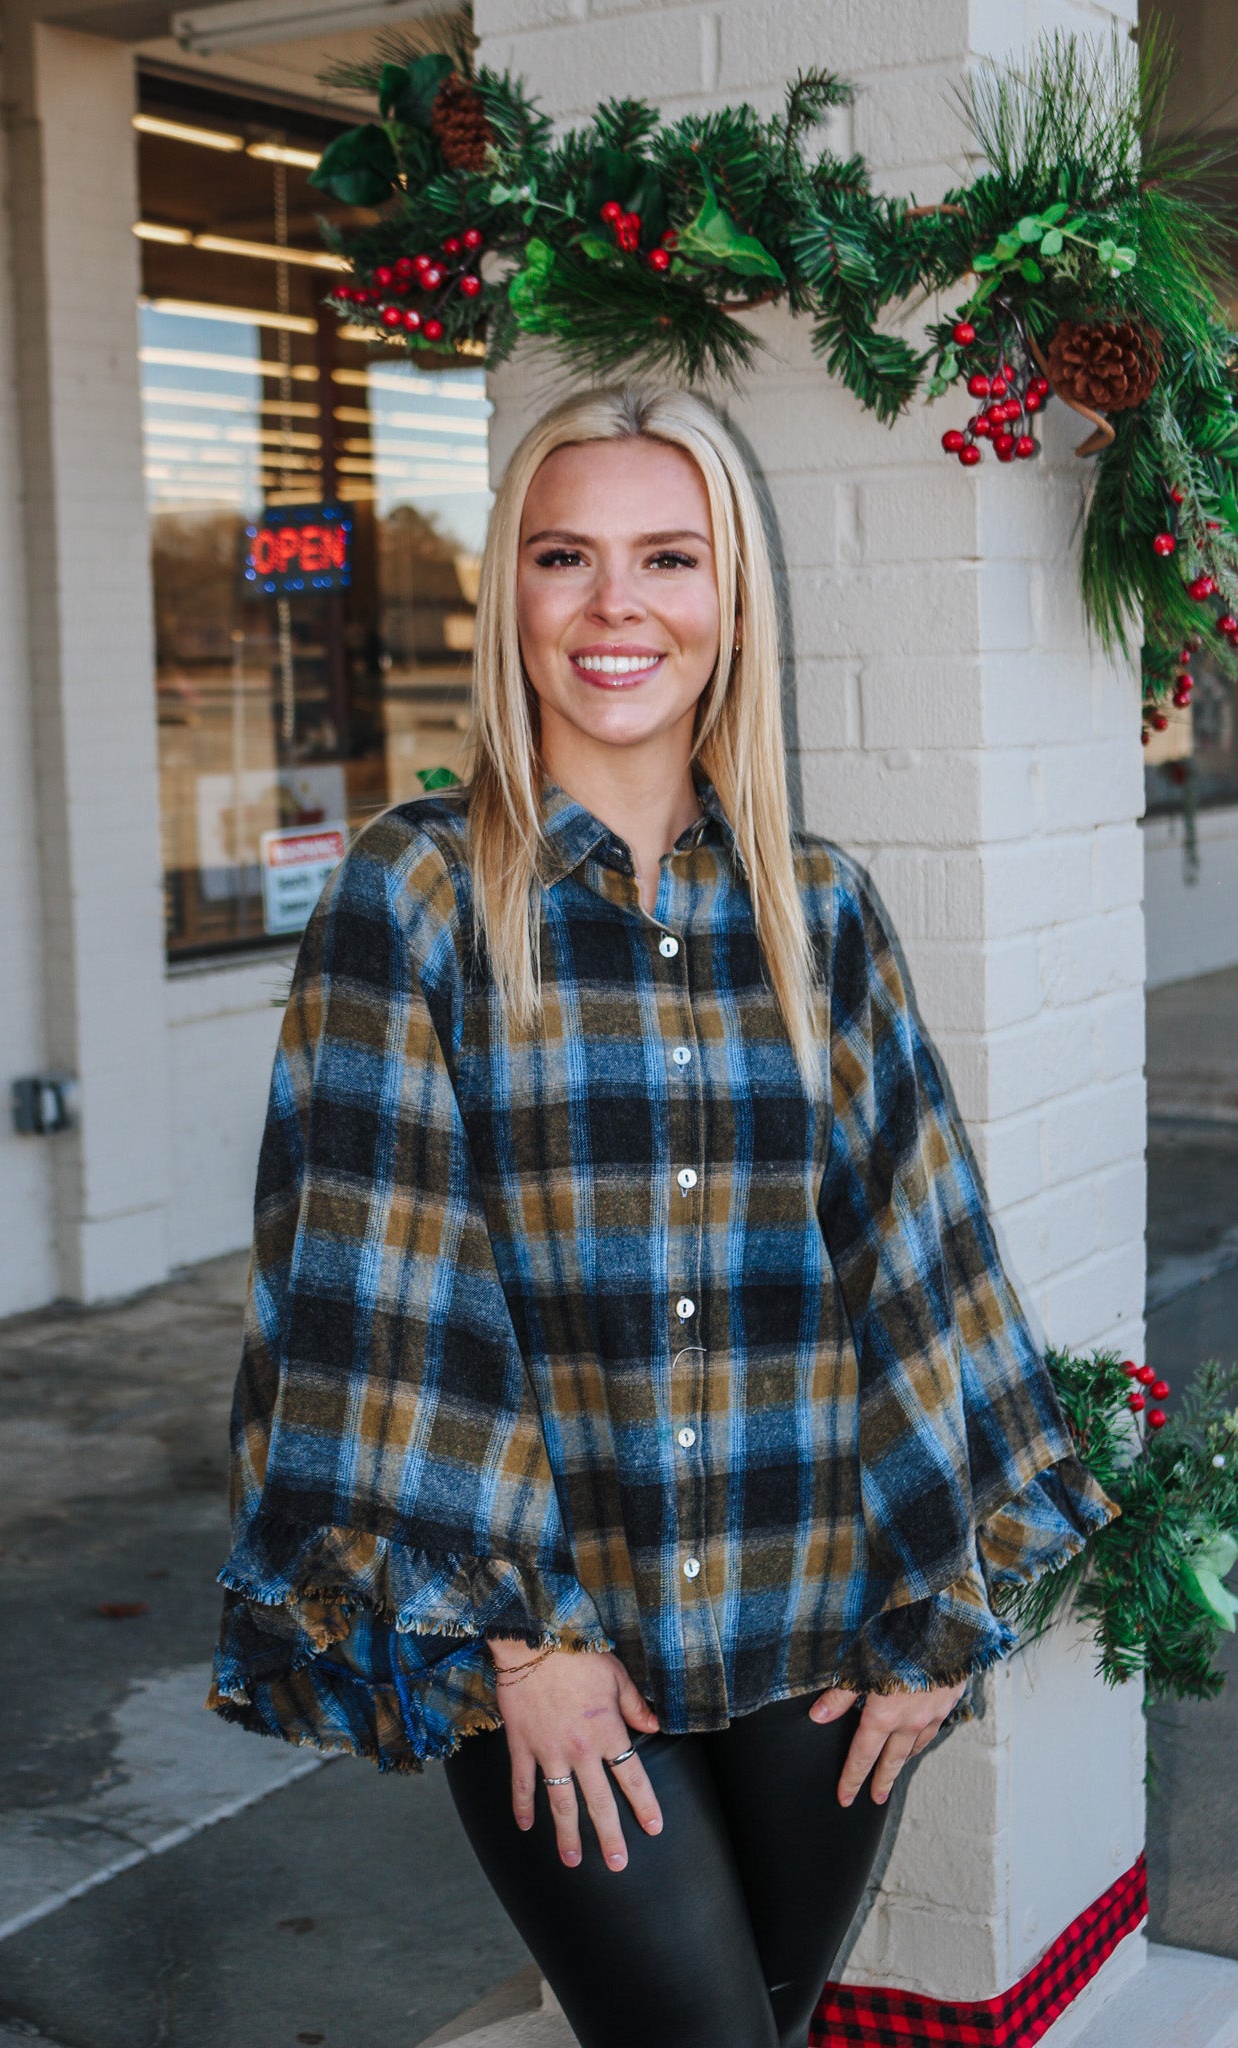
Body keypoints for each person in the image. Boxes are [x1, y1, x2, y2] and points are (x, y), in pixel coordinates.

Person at [208, 383, 1116, 2048]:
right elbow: (371, 1281)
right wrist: (517, 1637)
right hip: (556, 1637)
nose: (617, 605)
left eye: (667, 557)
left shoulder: (816, 906)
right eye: (567, 556)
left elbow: (916, 1255)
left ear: (729, 602)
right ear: (515, 599)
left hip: (817, 1617)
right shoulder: (410, 898)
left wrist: (943, 1610)